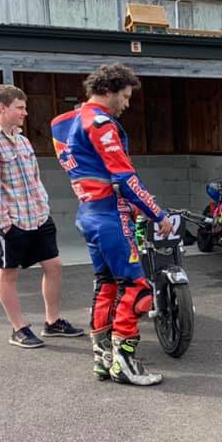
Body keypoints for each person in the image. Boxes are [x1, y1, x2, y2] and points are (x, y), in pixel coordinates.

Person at [50, 63, 173, 386]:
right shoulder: (100, 124)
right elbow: (125, 178)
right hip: (110, 215)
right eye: (125, 96)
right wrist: (157, 214)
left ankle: (103, 359)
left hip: (87, 212)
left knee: (106, 284)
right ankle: (125, 363)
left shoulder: (64, 123)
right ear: (108, 91)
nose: (127, 104)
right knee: (136, 288)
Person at [0, 84, 83, 348]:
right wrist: (4, 222)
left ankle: (52, 322)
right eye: (19, 107)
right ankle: (18, 328)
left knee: (54, 266)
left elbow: (34, 179)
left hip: (38, 216)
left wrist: (43, 206)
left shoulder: (22, 140)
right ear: (2, 107)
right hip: (10, 221)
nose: (25, 112)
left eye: (24, 107)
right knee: (8, 274)